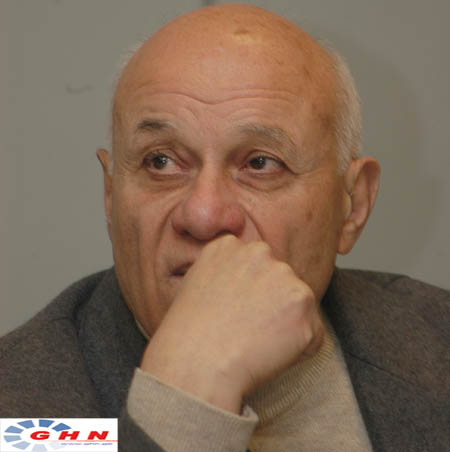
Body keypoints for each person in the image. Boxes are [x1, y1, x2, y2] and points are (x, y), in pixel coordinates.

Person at [1, 4, 448, 452]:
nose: (204, 216)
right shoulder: (19, 417)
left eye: (261, 163)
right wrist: (185, 399)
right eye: (161, 161)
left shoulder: (437, 339)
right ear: (110, 195)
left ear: (353, 206)